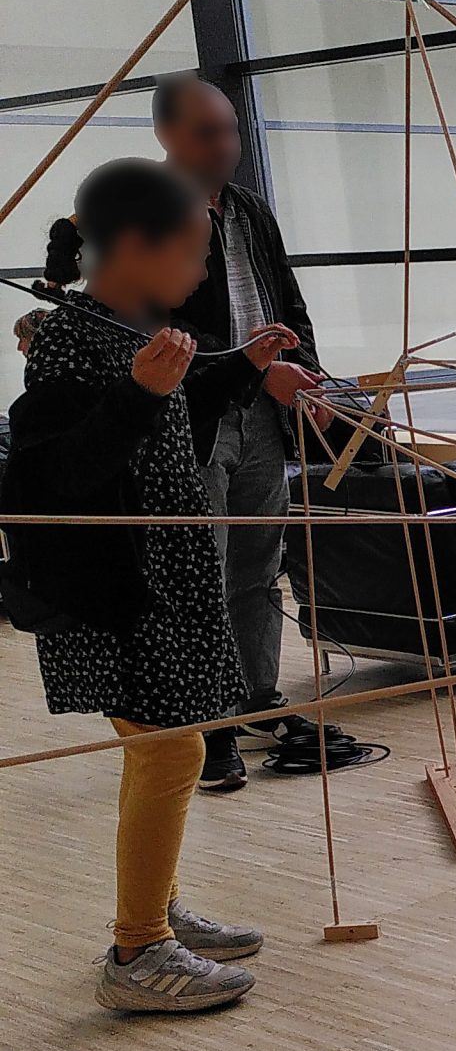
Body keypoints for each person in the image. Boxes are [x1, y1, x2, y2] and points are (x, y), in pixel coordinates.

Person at [0, 161, 316, 1012]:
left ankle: (154, 906)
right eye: (194, 254)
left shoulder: (138, 324)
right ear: (136, 249)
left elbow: (175, 409)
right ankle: (138, 951)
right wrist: (141, 392)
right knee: (170, 748)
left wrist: (240, 366)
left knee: (165, 748)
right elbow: (62, 471)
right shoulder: (73, 340)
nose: (205, 273)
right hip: (120, 591)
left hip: (167, 578)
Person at [151, 72, 340, 794]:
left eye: (232, 129)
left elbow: (288, 299)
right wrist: (262, 373)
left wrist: (308, 380)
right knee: (199, 573)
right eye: (208, 133)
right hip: (191, 421)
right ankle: (210, 726)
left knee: (259, 567)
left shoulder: (251, 209)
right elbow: (152, 322)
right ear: (167, 135)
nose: (226, 145)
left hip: (263, 418)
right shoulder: (146, 209)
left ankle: (259, 702)